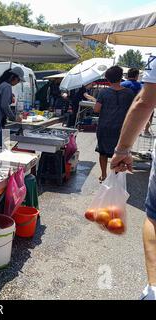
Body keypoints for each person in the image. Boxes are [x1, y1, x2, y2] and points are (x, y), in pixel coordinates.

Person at [110, 55, 156, 300]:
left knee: (154, 217)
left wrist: (122, 149)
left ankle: (154, 289)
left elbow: (145, 103)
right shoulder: (132, 86)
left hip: (120, 129)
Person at [94, 66, 135, 182]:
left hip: (105, 127)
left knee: (102, 151)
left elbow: (96, 109)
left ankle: (103, 175)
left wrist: (95, 102)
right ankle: (116, 175)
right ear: (121, 77)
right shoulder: (129, 93)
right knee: (120, 151)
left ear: (107, 78)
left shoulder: (103, 92)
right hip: (122, 128)